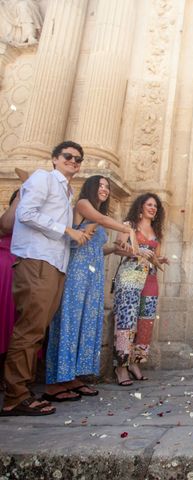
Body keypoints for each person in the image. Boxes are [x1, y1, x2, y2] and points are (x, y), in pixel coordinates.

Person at [1, 141, 91, 416]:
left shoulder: (66, 192)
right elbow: (26, 215)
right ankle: (15, 396)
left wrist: (76, 237)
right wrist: (65, 229)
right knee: (29, 329)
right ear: (54, 158)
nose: (73, 162)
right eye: (68, 156)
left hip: (54, 264)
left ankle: (22, 390)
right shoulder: (43, 179)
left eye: (78, 159)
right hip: (37, 261)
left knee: (37, 329)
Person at [44, 176, 134, 401]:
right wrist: (127, 229)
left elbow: (96, 248)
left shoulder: (97, 216)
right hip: (76, 272)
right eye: (101, 186)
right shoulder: (84, 204)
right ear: (92, 188)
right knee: (70, 321)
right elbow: (101, 219)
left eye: (107, 187)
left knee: (86, 322)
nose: (104, 189)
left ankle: (72, 376)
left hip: (93, 275)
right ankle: (56, 381)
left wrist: (114, 248)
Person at [112, 193, 167, 386]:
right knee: (127, 320)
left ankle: (135, 362)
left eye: (155, 206)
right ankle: (121, 366)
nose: (153, 208)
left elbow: (154, 257)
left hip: (150, 279)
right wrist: (136, 251)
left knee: (146, 321)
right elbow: (117, 248)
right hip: (130, 275)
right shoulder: (129, 225)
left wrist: (159, 260)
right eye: (149, 205)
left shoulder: (155, 231)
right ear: (140, 206)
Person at [0, 190, 19, 384]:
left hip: (27, 265)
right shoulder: (12, 213)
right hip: (6, 266)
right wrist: (21, 196)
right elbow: (5, 226)